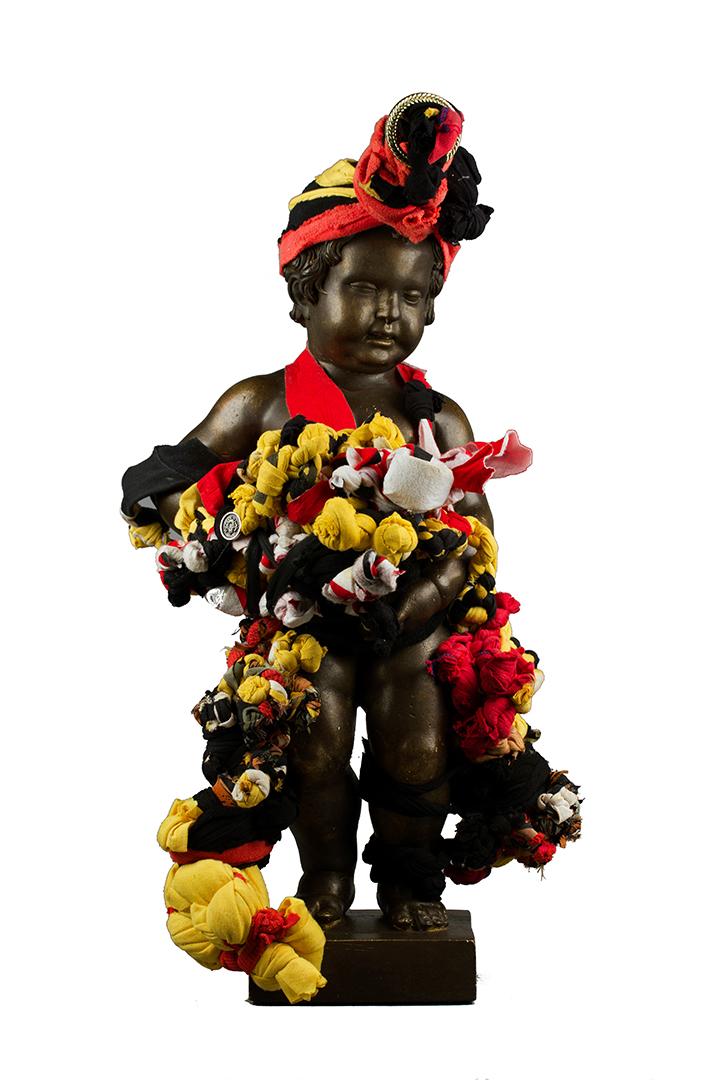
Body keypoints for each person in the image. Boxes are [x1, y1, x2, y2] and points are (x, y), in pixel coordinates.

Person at [122, 93, 496, 930]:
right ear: (305, 292)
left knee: (417, 742)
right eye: (363, 287)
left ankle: (409, 884)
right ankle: (325, 877)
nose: (388, 312)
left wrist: (423, 600)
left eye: (410, 295)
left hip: (412, 620)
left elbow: (474, 538)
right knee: (312, 740)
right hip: (304, 626)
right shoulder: (260, 402)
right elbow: (172, 472)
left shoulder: (438, 418)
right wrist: (212, 524)